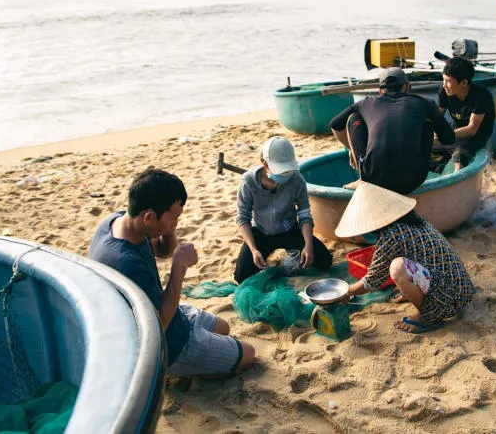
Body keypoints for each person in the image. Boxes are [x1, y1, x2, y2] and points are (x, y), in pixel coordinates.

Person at [90, 168, 255, 377]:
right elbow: (158, 326)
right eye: (173, 218)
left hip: (168, 313)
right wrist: (179, 268)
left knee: (223, 327)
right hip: (167, 342)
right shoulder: (126, 263)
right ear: (149, 217)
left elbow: (163, 250)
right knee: (249, 354)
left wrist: (168, 228)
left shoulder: (119, 221)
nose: (176, 223)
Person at [335, 182, 475, 334]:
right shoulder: (411, 219)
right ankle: (418, 295)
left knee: (398, 268)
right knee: (401, 268)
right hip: (461, 288)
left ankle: (428, 317)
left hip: (447, 297)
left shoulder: (392, 235)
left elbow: (373, 280)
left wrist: (347, 291)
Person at [329, 68, 456, 195]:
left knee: (354, 118)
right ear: (407, 87)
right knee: (427, 122)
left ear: (380, 91)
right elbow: (449, 139)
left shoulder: (365, 103)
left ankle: (362, 178)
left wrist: (352, 149)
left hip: (373, 178)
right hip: (414, 179)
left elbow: (335, 124)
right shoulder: (425, 103)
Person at [234, 136, 333, 284]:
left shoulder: (296, 179)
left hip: (289, 229)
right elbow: (243, 218)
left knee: (325, 260)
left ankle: (294, 251)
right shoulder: (248, 181)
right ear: (264, 162)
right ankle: (267, 254)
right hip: (261, 232)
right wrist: (253, 249)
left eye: (286, 171)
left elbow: (304, 214)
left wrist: (308, 245)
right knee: (241, 276)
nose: (283, 176)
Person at [437, 57, 496, 172]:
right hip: (456, 128)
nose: (444, 85)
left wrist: (446, 135)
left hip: (479, 135)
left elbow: (472, 129)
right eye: (443, 80)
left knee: (459, 156)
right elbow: (438, 118)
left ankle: (456, 184)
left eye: (448, 81)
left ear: (464, 83)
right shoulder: (444, 90)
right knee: (423, 144)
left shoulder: (481, 96)